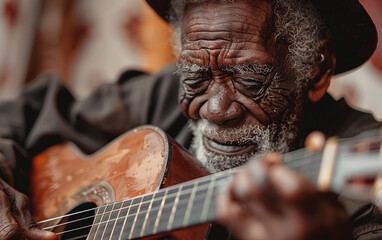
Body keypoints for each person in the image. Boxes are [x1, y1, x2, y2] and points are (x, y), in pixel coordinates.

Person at [0, 0, 381, 239]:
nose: (215, 109)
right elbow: (20, 116)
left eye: (249, 78)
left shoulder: (363, 200)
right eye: (195, 75)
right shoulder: (161, 98)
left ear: (317, 69)